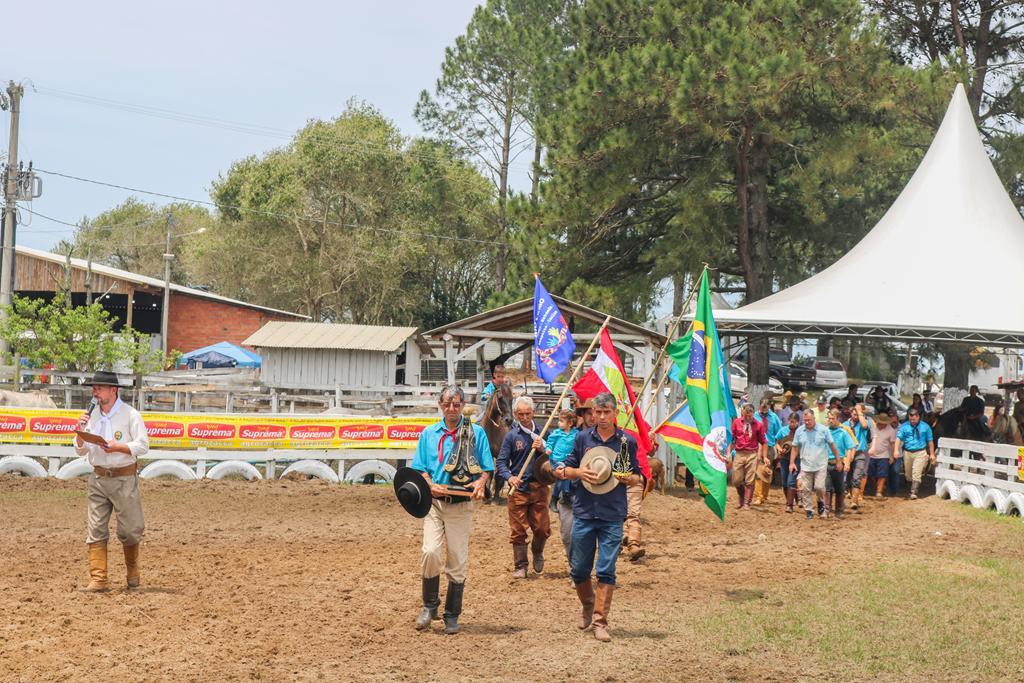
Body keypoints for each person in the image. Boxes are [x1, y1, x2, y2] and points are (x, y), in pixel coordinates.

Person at [554, 391, 642, 643]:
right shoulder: (583, 438)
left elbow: (638, 476)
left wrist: (629, 478)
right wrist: (578, 472)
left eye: (606, 412)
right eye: (597, 412)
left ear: (615, 413)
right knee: (579, 569)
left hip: (612, 514)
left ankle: (600, 621)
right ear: (592, 413)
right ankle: (588, 604)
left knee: (606, 569)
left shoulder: (626, 442)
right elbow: (565, 469)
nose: (601, 417)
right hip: (583, 511)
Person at [411, 385, 493, 635]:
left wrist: (481, 482)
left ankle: (452, 614)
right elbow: (419, 468)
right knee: (430, 552)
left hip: (461, 506)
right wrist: (428, 482)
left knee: (457, 559)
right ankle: (429, 606)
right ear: (440, 404)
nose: (452, 409)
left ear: (463, 405)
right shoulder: (428, 434)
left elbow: (487, 469)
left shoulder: (476, 433)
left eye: (457, 404)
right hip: (434, 504)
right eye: (447, 404)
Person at [74, 371, 150, 592]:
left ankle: (132, 572)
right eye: (94, 388)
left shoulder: (130, 415)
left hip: (124, 477)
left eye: (99, 387)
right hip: (98, 477)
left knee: (129, 530)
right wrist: (80, 434)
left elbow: (143, 445)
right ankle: (99, 579)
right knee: (95, 528)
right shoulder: (91, 416)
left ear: (113, 390)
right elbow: (80, 450)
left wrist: (119, 447)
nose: (94, 391)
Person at [497, 396, 552, 579]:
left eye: (528, 413)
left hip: (540, 486)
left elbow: (556, 456)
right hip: (519, 488)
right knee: (518, 529)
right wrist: (509, 477)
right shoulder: (511, 436)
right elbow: (502, 463)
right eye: (521, 414)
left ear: (533, 413)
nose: (525, 417)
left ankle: (537, 551)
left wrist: (544, 448)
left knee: (542, 529)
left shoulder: (545, 432)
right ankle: (521, 565)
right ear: (515, 414)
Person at [790, 410, 840, 520]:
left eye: (809, 420)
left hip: (820, 464)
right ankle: (809, 510)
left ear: (814, 419)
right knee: (806, 489)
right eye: (805, 420)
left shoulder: (823, 430)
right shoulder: (799, 431)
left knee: (819, 487)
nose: (807, 422)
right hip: (806, 464)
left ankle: (820, 503)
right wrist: (792, 462)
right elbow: (794, 447)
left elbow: (832, 445)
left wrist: (838, 460)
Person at [731, 403, 767, 510]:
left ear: (753, 414)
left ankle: (746, 502)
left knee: (749, 479)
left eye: (750, 415)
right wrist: (728, 452)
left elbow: (764, 441)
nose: (748, 417)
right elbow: (732, 438)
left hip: (752, 453)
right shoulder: (736, 422)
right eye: (746, 415)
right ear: (743, 412)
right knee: (736, 480)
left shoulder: (758, 425)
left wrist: (764, 456)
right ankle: (742, 496)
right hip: (739, 453)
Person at [895, 408, 935, 500]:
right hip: (908, 452)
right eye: (911, 419)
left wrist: (932, 454)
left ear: (918, 417)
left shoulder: (925, 427)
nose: (913, 421)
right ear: (909, 417)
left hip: (920, 451)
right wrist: (896, 450)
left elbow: (930, 441)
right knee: (908, 474)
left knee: (916, 472)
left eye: (914, 418)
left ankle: (913, 492)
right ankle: (910, 486)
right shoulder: (904, 426)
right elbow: (898, 438)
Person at [844, 403, 875, 510]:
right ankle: (849, 493)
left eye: (857, 415)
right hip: (848, 453)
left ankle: (854, 501)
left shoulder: (864, 423)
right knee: (848, 478)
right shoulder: (845, 424)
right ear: (850, 414)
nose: (855, 416)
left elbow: (865, 426)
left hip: (860, 452)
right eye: (854, 414)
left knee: (857, 477)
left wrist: (860, 413)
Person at [547, 410, 579, 513]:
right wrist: (548, 448)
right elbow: (550, 441)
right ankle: (565, 495)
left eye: (561, 421)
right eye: (559, 420)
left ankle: (555, 498)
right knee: (564, 473)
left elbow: (578, 444)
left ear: (570, 423)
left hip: (568, 460)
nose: (558, 423)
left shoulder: (576, 433)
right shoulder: (556, 433)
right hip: (556, 459)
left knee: (564, 476)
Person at [825, 409, 855, 518]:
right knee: (826, 487)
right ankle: (827, 509)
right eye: (829, 418)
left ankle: (839, 510)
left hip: (839, 463)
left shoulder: (843, 432)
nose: (830, 421)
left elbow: (849, 448)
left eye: (833, 418)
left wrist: (847, 463)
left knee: (839, 488)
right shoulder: (825, 431)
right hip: (826, 462)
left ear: (838, 419)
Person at [752, 399, 782, 505]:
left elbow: (779, 432)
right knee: (757, 471)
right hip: (756, 446)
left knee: (766, 471)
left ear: (769, 406)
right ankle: (758, 495)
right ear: (759, 405)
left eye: (767, 405)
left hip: (769, 446)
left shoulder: (774, 417)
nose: (764, 407)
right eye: (763, 405)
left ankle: (764, 494)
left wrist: (777, 444)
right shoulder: (754, 416)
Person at [867, 412, 898, 496]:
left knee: (882, 474)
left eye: (884, 424)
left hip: (884, 455)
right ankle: (876, 487)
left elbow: (892, 444)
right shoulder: (872, 427)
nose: (882, 425)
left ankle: (879, 491)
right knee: (870, 474)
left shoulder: (890, 430)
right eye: (880, 423)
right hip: (871, 454)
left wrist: (892, 456)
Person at [774, 413, 801, 512]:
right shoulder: (783, 430)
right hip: (784, 459)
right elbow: (776, 442)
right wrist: (780, 449)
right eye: (791, 421)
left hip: (796, 459)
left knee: (791, 480)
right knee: (785, 482)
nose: (792, 424)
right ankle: (791, 499)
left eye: (794, 422)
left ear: (798, 422)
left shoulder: (800, 431)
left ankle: (789, 505)